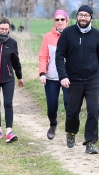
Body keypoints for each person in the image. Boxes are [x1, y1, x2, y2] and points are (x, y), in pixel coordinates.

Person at [55, 5, 99, 154]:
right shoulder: (67, 33)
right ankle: (71, 132)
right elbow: (59, 56)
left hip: (92, 78)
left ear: (91, 17)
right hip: (72, 79)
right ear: (77, 17)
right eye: (80, 15)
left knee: (94, 110)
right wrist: (63, 76)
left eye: (86, 15)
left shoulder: (97, 35)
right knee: (73, 111)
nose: (83, 18)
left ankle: (91, 142)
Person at [39, 10, 69, 140]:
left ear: (67, 21)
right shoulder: (47, 37)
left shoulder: (72, 35)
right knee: (52, 106)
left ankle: (70, 131)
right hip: (51, 77)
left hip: (69, 77)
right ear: (54, 22)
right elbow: (43, 56)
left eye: (63, 19)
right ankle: (53, 124)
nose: (60, 22)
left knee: (69, 105)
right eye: (57, 19)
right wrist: (42, 73)